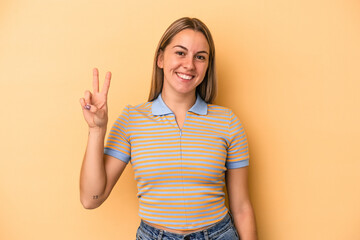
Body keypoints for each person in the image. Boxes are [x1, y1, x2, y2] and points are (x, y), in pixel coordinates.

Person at [79, 17, 257, 240]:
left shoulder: (228, 122)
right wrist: (97, 130)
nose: (189, 65)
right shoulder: (131, 120)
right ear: (161, 59)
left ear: (207, 66)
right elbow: (91, 198)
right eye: (180, 53)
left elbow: (241, 207)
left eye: (200, 57)